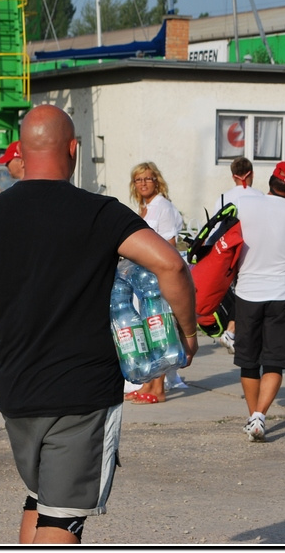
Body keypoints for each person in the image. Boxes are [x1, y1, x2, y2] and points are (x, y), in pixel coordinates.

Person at [0, 104, 197, 544]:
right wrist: (186, 334)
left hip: (15, 388)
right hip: (81, 393)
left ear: (22, 150)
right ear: (73, 149)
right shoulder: (101, 213)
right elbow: (170, 265)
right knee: (62, 519)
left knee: (40, 500)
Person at [232, 161, 285, 441]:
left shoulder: (244, 203)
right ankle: (260, 416)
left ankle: (253, 417)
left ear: (270, 181)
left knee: (249, 362)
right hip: (280, 293)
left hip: (247, 292)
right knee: (274, 362)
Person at [126, 161, 185, 405]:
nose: (143, 183)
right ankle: (149, 381)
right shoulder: (145, 208)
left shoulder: (163, 207)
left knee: (158, 331)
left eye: (148, 179)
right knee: (146, 332)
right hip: (143, 278)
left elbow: (169, 244)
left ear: (156, 180)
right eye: (139, 180)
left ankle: (159, 387)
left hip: (157, 277)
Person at [211, 156, 264, 354]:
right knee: (245, 292)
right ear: (251, 173)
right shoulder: (259, 196)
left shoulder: (223, 198)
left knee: (232, 291)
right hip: (250, 249)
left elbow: (216, 227)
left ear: (232, 175)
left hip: (227, 250)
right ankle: (233, 330)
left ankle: (232, 328)